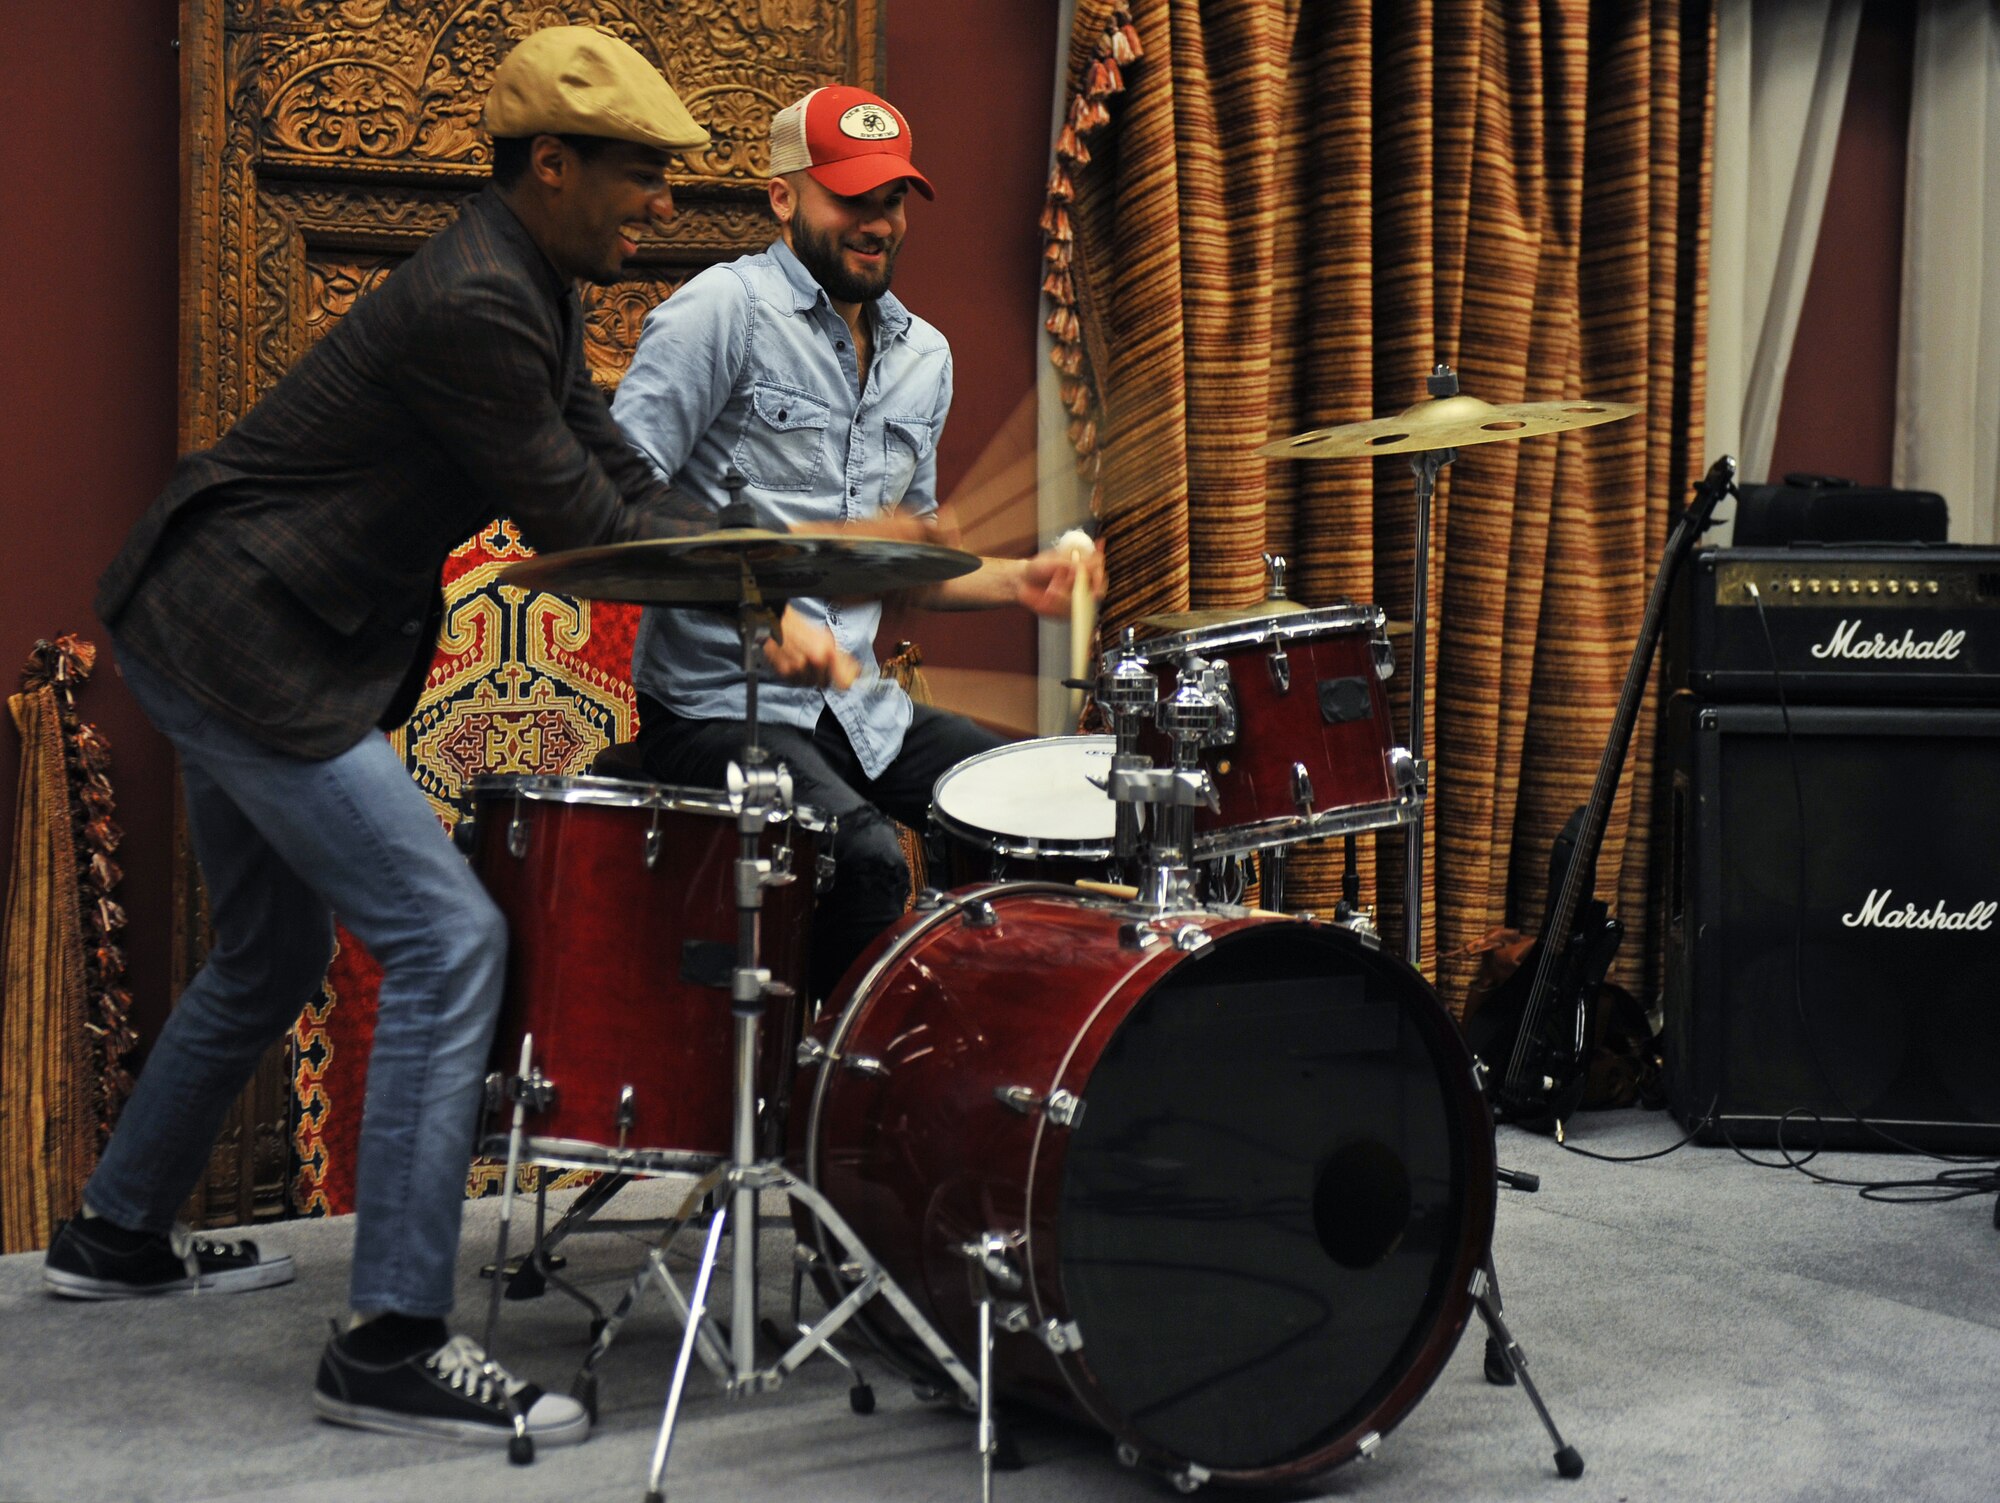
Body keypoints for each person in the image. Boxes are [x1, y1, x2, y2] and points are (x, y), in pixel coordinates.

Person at [42, 26, 867, 1449]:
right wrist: (756, 602)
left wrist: (761, 571)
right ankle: (391, 1341)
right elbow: (590, 529)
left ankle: (114, 1233)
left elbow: (614, 465)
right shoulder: (481, 299)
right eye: (638, 176)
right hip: (250, 641)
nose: (660, 204)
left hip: (210, 620)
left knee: (270, 951)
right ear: (551, 166)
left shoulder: (527, 283)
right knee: (446, 936)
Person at [611, 84, 1106, 1001]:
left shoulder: (927, 359)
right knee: (869, 858)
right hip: (721, 706)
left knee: (1038, 820)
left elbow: (894, 568)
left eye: (892, 198)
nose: (878, 221)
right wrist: (760, 603)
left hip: (859, 710)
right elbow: (619, 510)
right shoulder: (717, 315)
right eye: (852, 196)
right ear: (782, 196)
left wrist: (1016, 580)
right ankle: (818, 1108)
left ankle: (969, 1074)